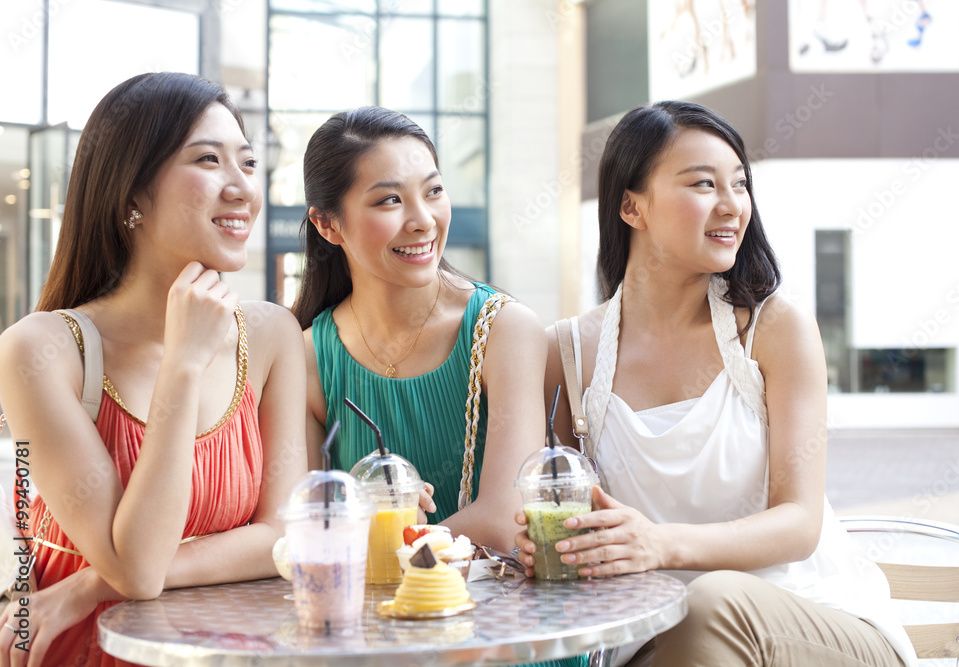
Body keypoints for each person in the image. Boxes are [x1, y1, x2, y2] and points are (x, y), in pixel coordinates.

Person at [515, 101, 918, 667]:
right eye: (704, 184)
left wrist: (660, 543)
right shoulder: (569, 354)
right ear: (632, 205)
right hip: (660, 638)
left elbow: (799, 523)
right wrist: (555, 543)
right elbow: (558, 507)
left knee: (707, 603)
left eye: (740, 184)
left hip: (812, 622)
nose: (733, 205)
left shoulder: (776, 330)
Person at [0, 72, 307, 666]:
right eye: (209, 160)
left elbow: (282, 536)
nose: (241, 186)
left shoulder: (271, 336)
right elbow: (139, 567)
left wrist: (91, 581)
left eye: (247, 163)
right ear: (132, 195)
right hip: (88, 651)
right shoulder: (40, 351)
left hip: (226, 650)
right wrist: (184, 363)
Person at [293, 106, 548, 553]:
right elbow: (304, 521)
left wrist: (386, 536)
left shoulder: (504, 331)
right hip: (365, 614)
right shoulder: (310, 356)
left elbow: (505, 519)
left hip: (491, 612)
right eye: (390, 200)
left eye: (433, 191)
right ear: (327, 224)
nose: (423, 219)